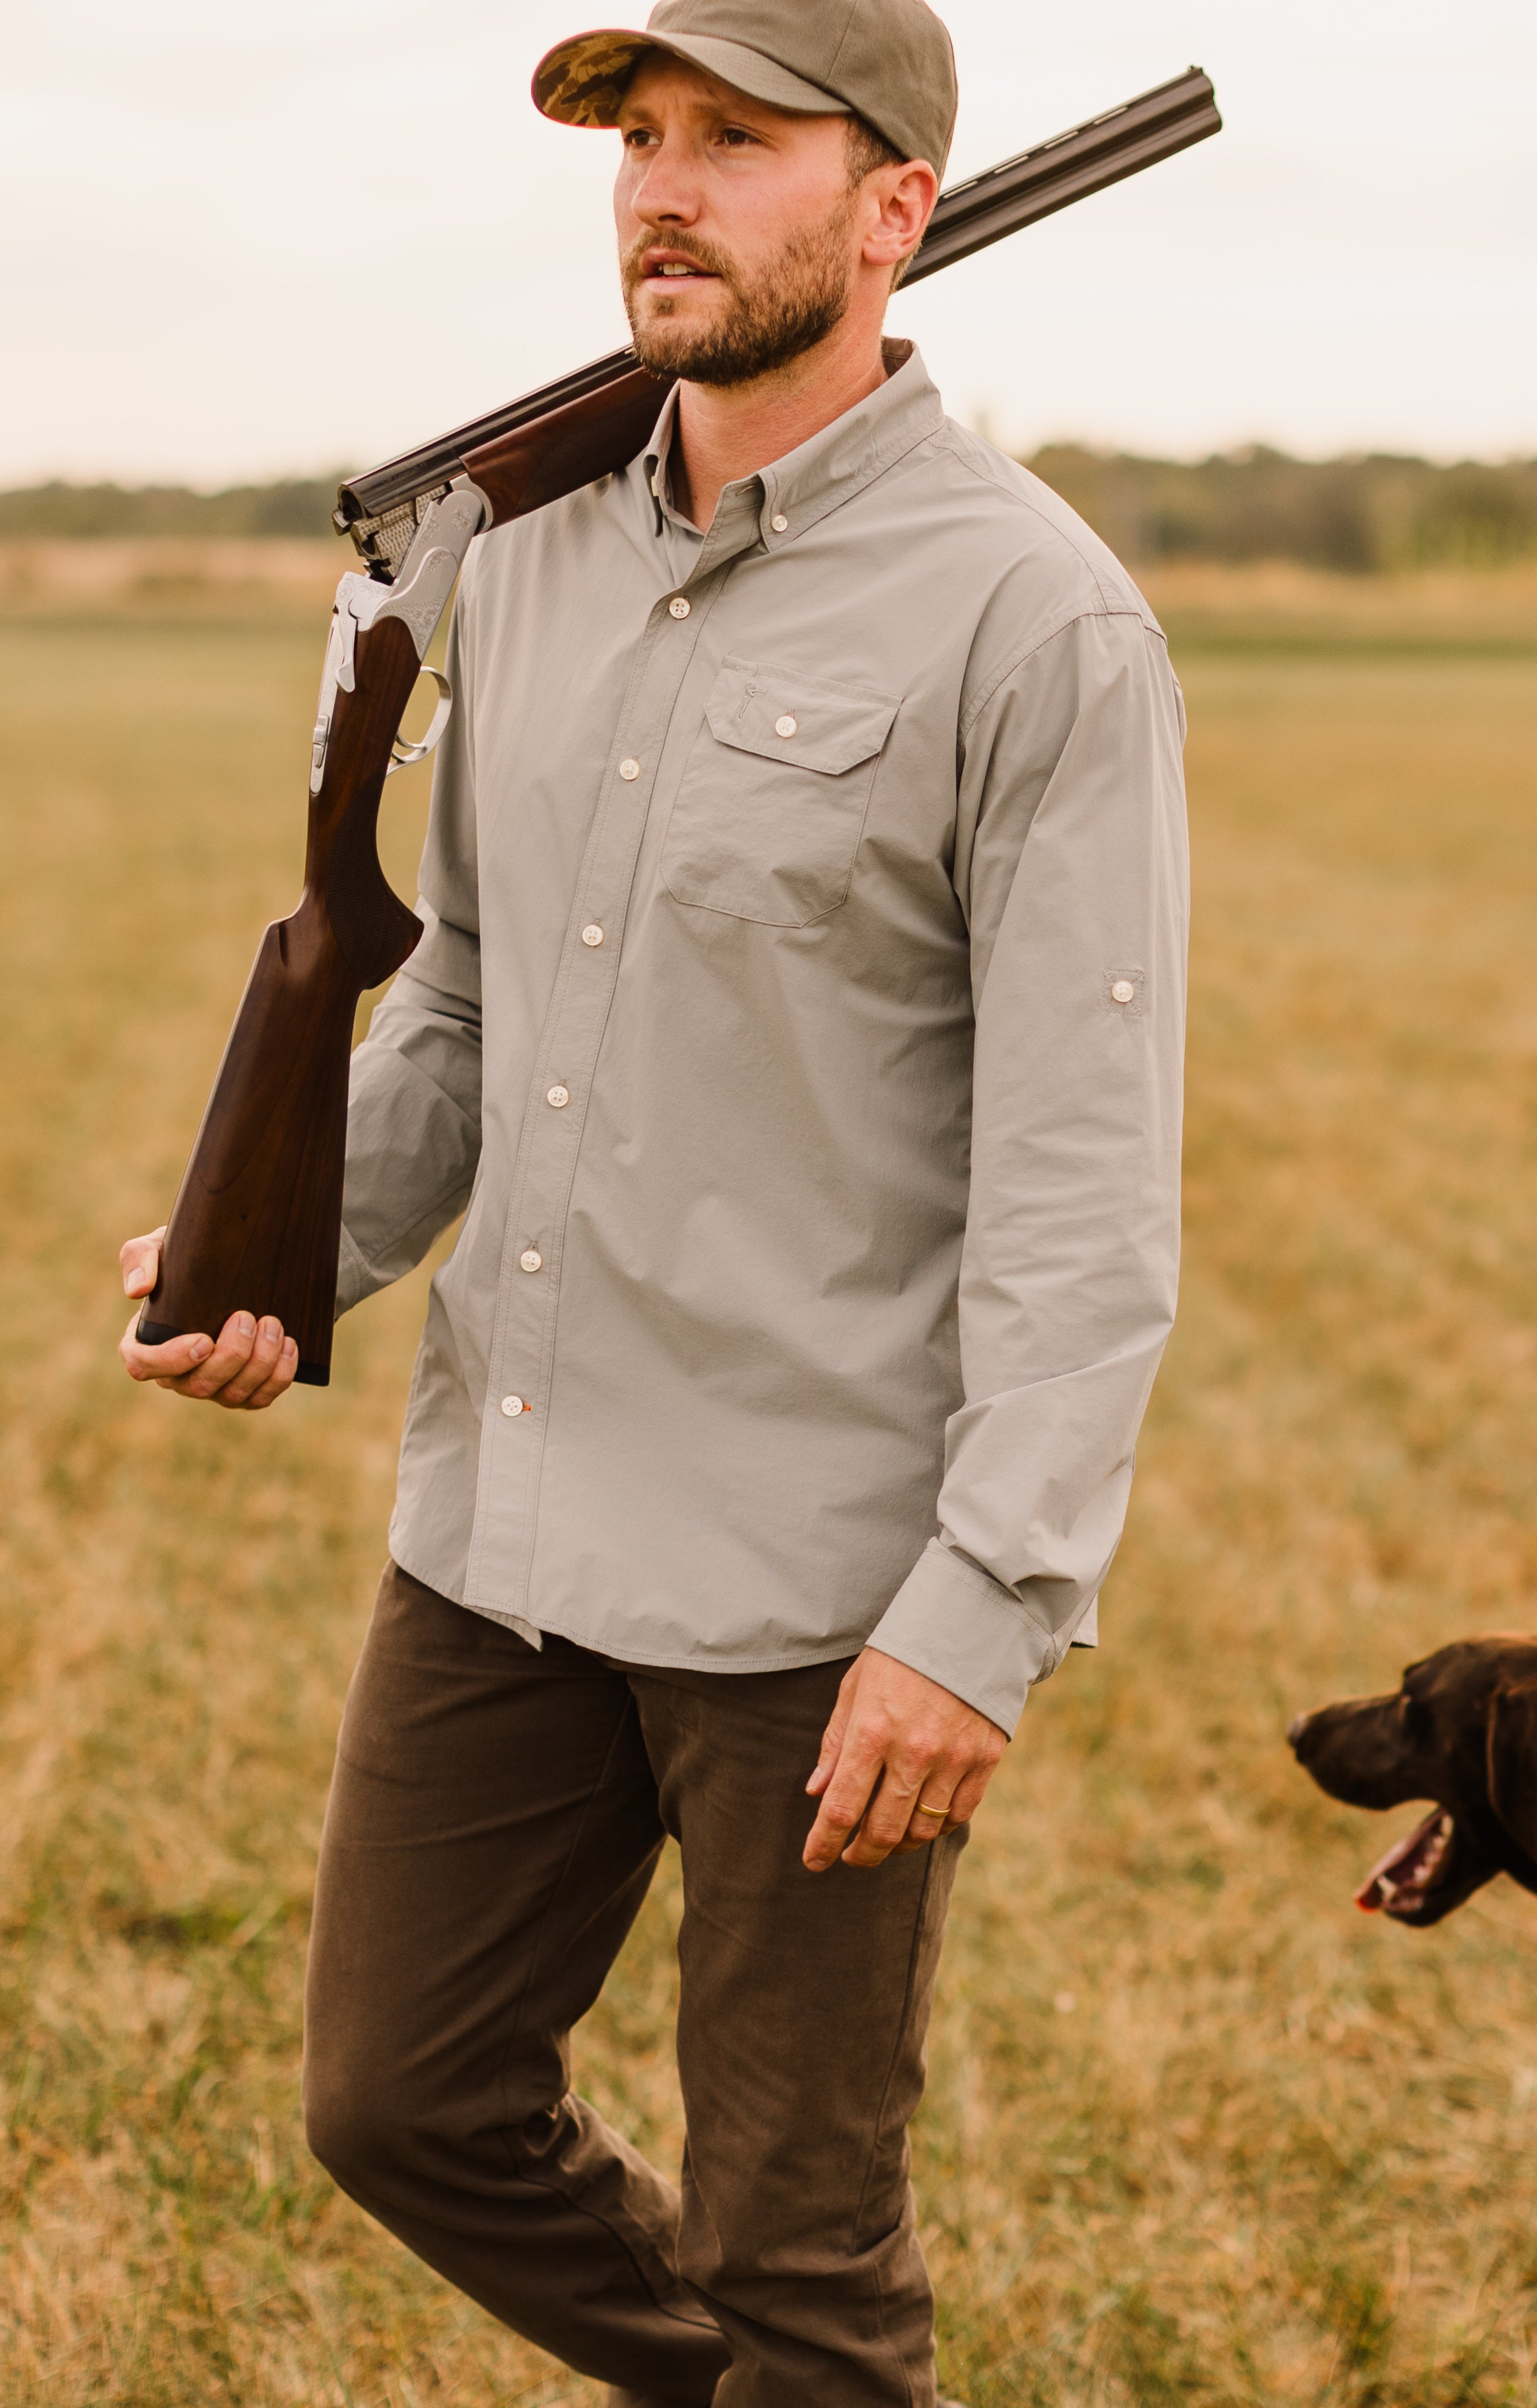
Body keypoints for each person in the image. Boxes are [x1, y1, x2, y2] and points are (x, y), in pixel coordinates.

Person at [115, 0, 1188, 2396]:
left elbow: (1085, 1179)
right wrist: (284, 1253)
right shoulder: (526, 566)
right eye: (638, 141)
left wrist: (982, 1608)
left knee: (802, 2252)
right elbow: (465, 998)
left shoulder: (1038, 622)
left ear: (897, 209)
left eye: (737, 141)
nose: (663, 189)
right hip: (504, 1527)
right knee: (398, 2102)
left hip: (818, 1595)